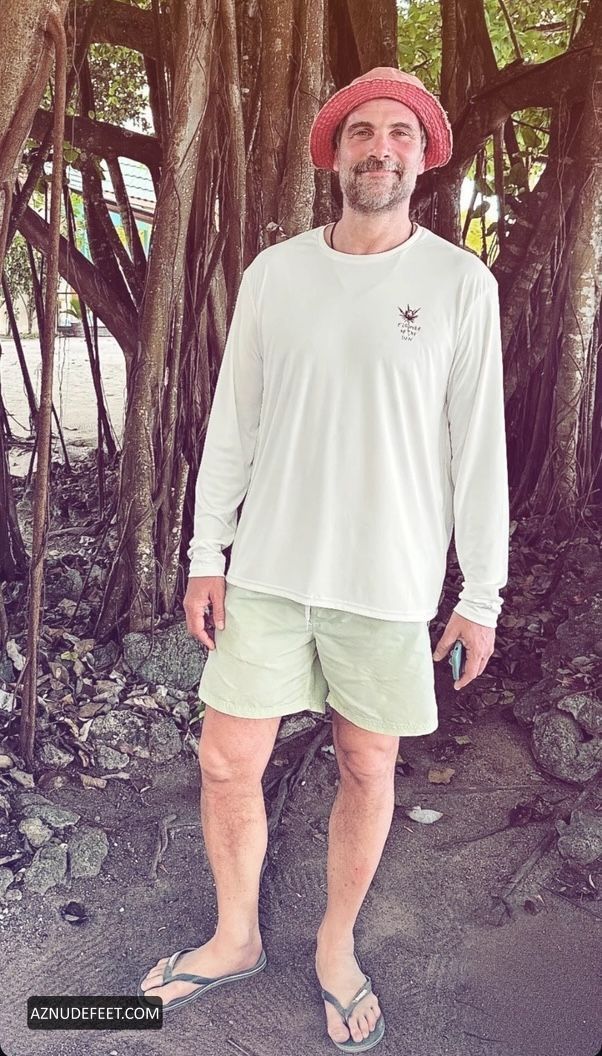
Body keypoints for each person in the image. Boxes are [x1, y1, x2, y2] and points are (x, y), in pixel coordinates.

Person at [138, 67, 509, 1052]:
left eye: (399, 133)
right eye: (361, 133)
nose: (379, 148)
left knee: (365, 763)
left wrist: (481, 594)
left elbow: (479, 451)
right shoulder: (276, 275)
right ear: (334, 154)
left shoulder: (458, 285)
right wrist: (206, 550)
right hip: (267, 567)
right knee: (226, 760)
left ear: (423, 159)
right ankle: (234, 938)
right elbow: (234, 424)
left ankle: (336, 947)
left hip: (385, 580)